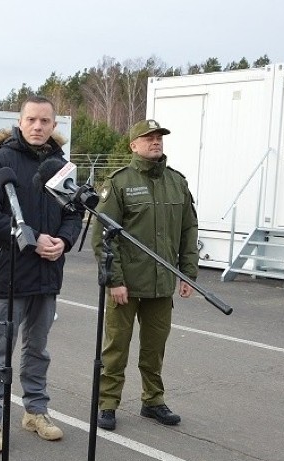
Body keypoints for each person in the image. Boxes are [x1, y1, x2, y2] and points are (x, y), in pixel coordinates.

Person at [0, 95, 82, 453]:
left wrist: (63, 242)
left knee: (38, 349)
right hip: (10, 274)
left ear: (54, 126)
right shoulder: (0, 160)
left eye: (45, 121)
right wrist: (31, 239)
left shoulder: (61, 165)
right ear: (20, 122)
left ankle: (35, 410)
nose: (38, 126)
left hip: (48, 274)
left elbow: (73, 213)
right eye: (31, 120)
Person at [91, 118, 199, 431]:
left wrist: (188, 272)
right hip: (127, 284)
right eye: (148, 138)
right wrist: (115, 279)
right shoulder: (119, 182)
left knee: (155, 348)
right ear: (133, 145)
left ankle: (153, 401)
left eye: (159, 138)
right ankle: (108, 404)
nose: (155, 142)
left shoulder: (177, 182)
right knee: (116, 347)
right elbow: (102, 237)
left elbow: (188, 229)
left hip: (161, 283)